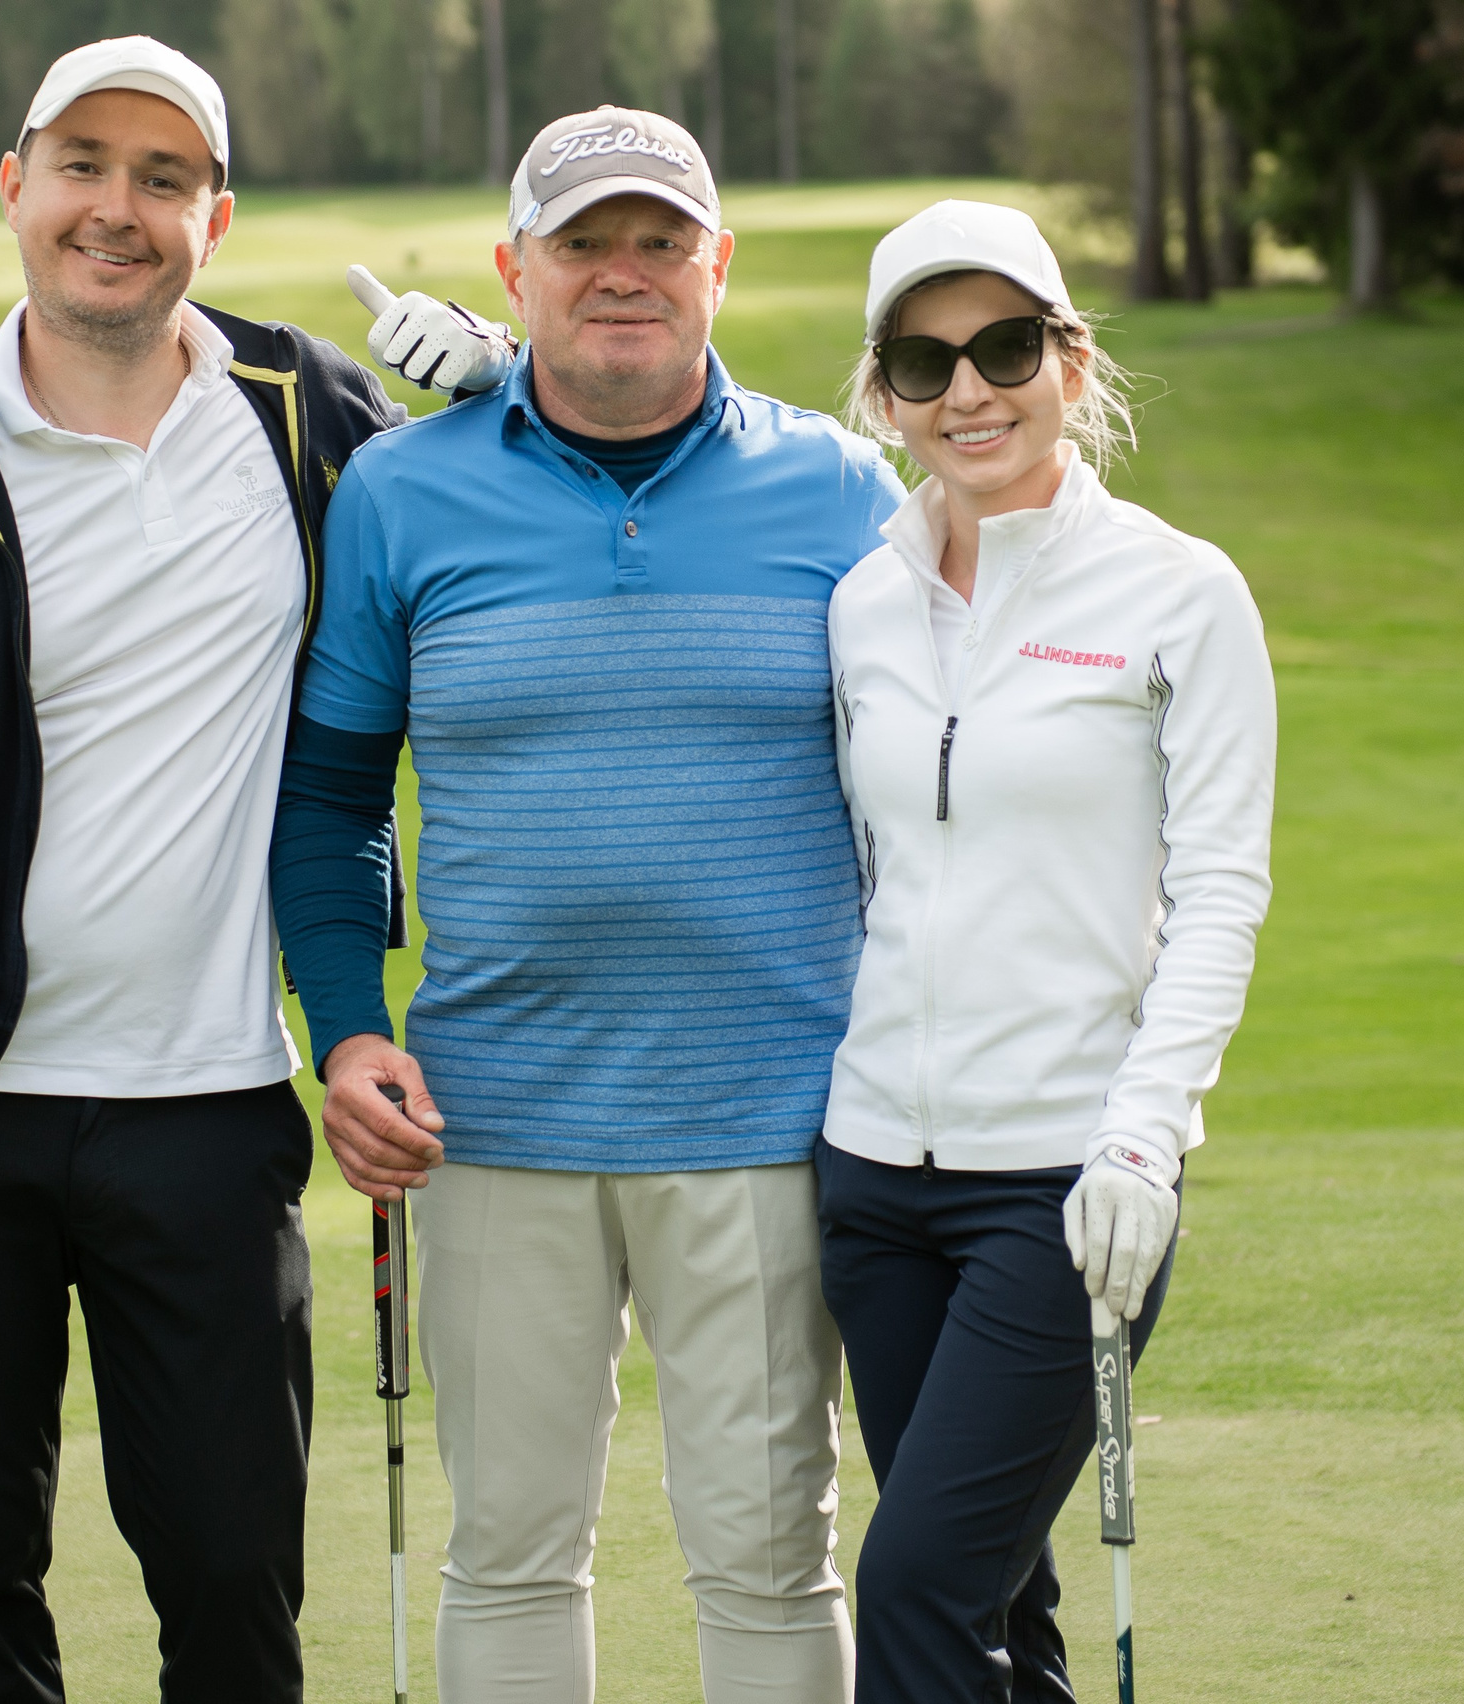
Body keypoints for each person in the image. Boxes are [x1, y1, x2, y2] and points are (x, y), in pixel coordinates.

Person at [0, 37, 492, 1704]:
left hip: (209, 1102)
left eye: (163, 178)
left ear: (216, 215)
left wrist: (506, 382)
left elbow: (548, 484)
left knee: (237, 1586)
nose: (119, 207)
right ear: (15, 184)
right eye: (84, 165)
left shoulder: (315, 417)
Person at [273, 107, 905, 1704]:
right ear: (516, 268)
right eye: (583, 244)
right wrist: (348, 1033)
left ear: (717, 265)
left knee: (768, 1558)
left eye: (660, 241)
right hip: (490, 1120)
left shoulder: (843, 489)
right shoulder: (402, 495)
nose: (624, 274)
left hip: (768, 1116)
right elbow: (336, 802)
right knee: (510, 1554)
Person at [816, 201, 1276, 1703]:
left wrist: (1146, 1140)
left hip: (1069, 1189)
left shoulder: (1180, 593)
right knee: (1002, 1608)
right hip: (874, 1180)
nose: (969, 391)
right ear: (882, 390)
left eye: (1006, 346)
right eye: (925, 359)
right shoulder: (863, 603)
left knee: (916, 1583)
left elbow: (1219, 890)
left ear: (1070, 361)